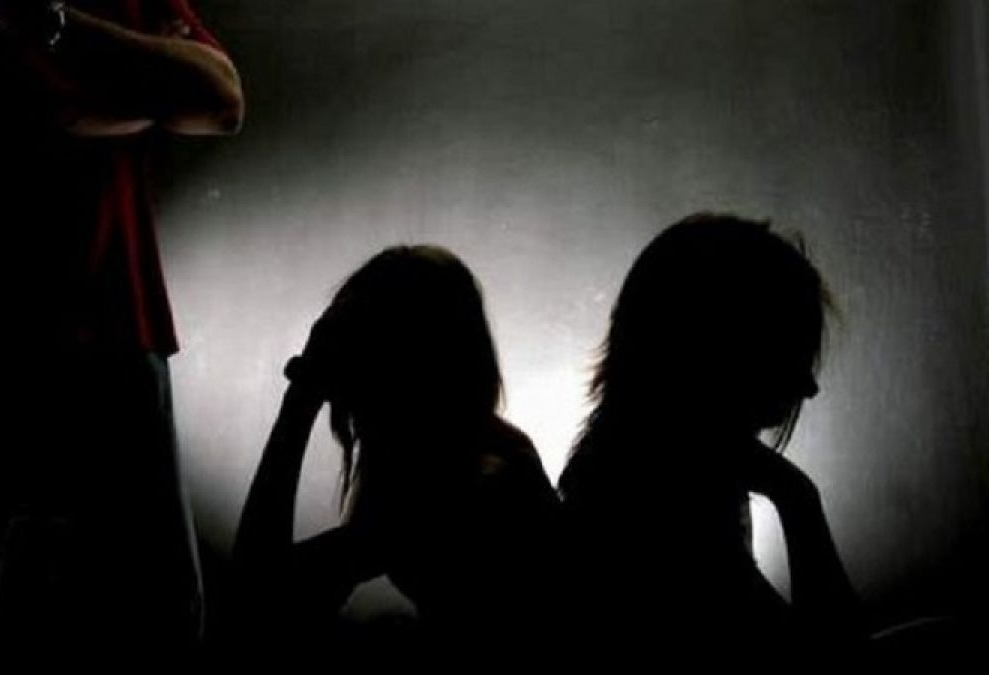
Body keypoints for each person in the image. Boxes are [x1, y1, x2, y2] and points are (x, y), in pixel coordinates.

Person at [0, 1, 243, 670]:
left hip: (120, 334)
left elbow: (221, 100)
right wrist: (145, 78)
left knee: (158, 615)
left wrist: (52, 23)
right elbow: (24, 108)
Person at [558, 213, 862, 665]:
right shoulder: (666, 521)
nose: (809, 386)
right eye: (789, 350)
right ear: (726, 350)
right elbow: (835, 668)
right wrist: (798, 499)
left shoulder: (629, 483)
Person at [232, 245, 560, 659]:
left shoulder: (477, 481)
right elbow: (276, 597)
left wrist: (300, 400)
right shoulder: (444, 457)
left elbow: (258, 592)